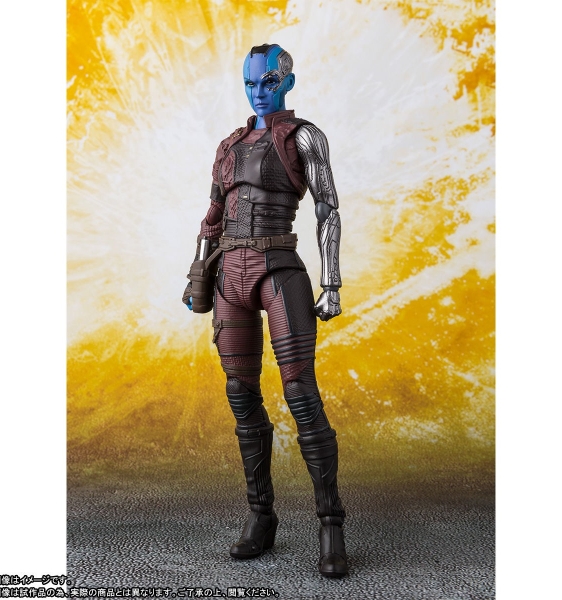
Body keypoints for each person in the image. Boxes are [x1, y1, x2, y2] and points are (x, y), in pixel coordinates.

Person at [182, 43, 348, 578]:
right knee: (240, 393)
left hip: (280, 269)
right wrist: (197, 273)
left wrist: (331, 283)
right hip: (230, 274)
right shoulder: (228, 145)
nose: (259, 91)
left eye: (269, 81)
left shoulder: (304, 136)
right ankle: (261, 516)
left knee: (300, 394)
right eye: (251, 82)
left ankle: (330, 524)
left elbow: (328, 210)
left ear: (287, 82)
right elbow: (212, 216)